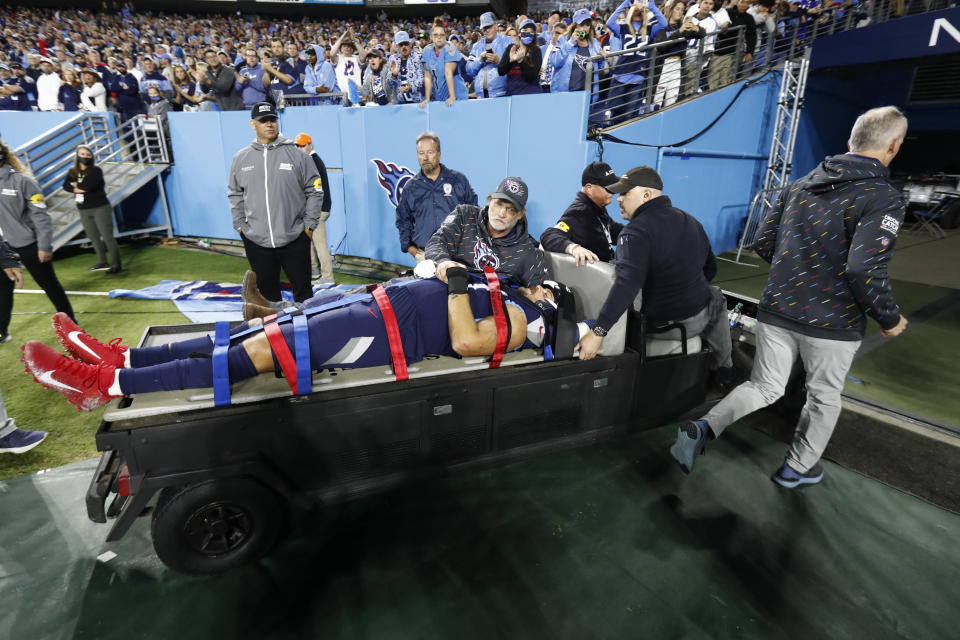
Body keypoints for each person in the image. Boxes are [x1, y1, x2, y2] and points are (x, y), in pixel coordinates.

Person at [669, 106, 910, 488]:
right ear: (894, 146)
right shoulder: (882, 198)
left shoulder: (799, 184)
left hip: (778, 309)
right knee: (823, 397)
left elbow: (764, 242)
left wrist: (795, 273)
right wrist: (889, 318)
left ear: (850, 141)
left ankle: (705, 426)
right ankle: (797, 468)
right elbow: (864, 268)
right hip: (833, 322)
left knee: (763, 386)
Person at [23, 272, 566, 411]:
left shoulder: (521, 318)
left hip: (381, 335)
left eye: (544, 286)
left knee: (258, 354)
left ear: (548, 298)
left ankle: (106, 383)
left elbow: (469, 343)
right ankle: (123, 358)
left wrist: (450, 286)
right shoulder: (505, 291)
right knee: (254, 331)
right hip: (377, 309)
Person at [575, 166, 732, 381]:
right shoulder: (690, 220)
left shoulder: (635, 232)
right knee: (715, 296)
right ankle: (724, 371)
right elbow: (710, 268)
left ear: (646, 195)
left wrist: (598, 332)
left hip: (666, 324)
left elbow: (626, 287)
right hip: (700, 313)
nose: (619, 199)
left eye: (625, 193)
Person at [227, 102, 323, 303]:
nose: (269, 124)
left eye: (272, 119)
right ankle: (273, 334)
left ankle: (308, 333)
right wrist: (240, 226)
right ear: (253, 124)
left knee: (304, 296)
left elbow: (315, 190)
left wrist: (309, 226)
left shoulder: (298, 155)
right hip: (256, 241)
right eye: (263, 121)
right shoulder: (241, 158)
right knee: (267, 297)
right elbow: (235, 193)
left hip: (295, 238)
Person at [0, 140, 75, 343]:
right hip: (2, 250)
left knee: (50, 285)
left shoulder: (22, 181)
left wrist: (44, 245)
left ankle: (72, 327)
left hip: (28, 245)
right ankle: (1, 332)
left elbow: (41, 216)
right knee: (2, 290)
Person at [426, 176, 546, 289]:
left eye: (511, 210)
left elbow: (541, 295)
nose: (501, 213)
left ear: (520, 214)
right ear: (489, 200)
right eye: (499, 204)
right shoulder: (464, 216)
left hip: (490, 306)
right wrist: (443, 261)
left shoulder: (529, 252)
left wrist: (526, 293)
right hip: (447, 288)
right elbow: (437, 242)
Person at [395, 132, 477, 263]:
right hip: (425, 256)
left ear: (439, 155)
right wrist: (414, 252)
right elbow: (403, 221)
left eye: (430, 152)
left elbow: (474, 214)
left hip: (457, 255)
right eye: (421, 153)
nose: (425, 157)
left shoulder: (458, 180)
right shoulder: (410, 188)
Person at [540, 161, 623, 264]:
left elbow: (613, 231)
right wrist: (574, 248)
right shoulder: (579, 212)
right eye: (608, 188)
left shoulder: (597, 208)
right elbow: (549, 235)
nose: (613, 192)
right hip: (595, 276)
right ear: (589, 188)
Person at [606, 0, 668, 122]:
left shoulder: (650, 30)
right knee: (614, 112)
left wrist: (651, 6)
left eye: (641, 11)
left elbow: (664, 24)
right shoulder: (623, 28)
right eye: (636, 10)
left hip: (637, 79)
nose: (638, 12)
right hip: (620, 76)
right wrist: (626, 4)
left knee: (630, 115)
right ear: (630, 12)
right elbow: (609, 23)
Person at [61, 145, 120, 273]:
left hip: (100, 208)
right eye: (82, 154)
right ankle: (102, 262)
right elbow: (65, 185)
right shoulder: (72, 171)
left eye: (88, 155)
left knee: (107, 237)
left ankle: (116, 265)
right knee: (93, 237)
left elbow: (89, 186)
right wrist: (75, 187)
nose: (85, 157)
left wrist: (76, 185)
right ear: (77, 156)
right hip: (83, 209)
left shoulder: (96, 170)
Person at [293, 133, 334, 283]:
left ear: (310, 145)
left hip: (318, 209)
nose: (299, 148)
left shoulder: (313, 161)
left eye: (302, 145)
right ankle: (315, 271)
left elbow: (313, 189)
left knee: (320, 245)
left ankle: (328, 278)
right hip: (312, 209)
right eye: (297, 145)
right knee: (307, 240)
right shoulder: (310, 160)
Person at [420, 23, 469, 107]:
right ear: (431, 37)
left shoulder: (450, 48)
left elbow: (448, 73)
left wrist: (452, 96)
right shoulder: (426, 51)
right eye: (435, 35)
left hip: (457, 94)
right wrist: (427, 98)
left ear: (445, 36)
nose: (439, 37)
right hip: (439, 96)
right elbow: (428, 76)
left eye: (441, 35)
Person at [467, 12, 513, 99]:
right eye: (484, 28)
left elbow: (515, 67)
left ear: (496, 25)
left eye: (489, 27)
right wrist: (480, 60)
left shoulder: (508, 41)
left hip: (502, 94)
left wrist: (498, 61)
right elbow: (469, 70)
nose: (486, 30)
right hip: (481, 96)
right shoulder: (477, 46)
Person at [497, 19, 543, 96]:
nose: (527, 33)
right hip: (513, 95)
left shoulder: (536, 51)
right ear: (519, 33)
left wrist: (521, 61)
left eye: (531, 31)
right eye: (525, 30)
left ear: (534, 35)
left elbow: (532, 77)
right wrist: (510, 61)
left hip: (531, 94)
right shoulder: (511, 48)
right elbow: (501, 71)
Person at [388, 31, 424, 105]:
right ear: (397, 46)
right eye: (401, 45)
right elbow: (389, 83)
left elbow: (423, 78)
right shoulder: (393, 59)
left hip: (418, 102)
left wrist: (411, 87)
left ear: (410, 44)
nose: (404, 47)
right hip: (401, 103)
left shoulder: (419, 56)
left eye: (406, 44)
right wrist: (394, 75)